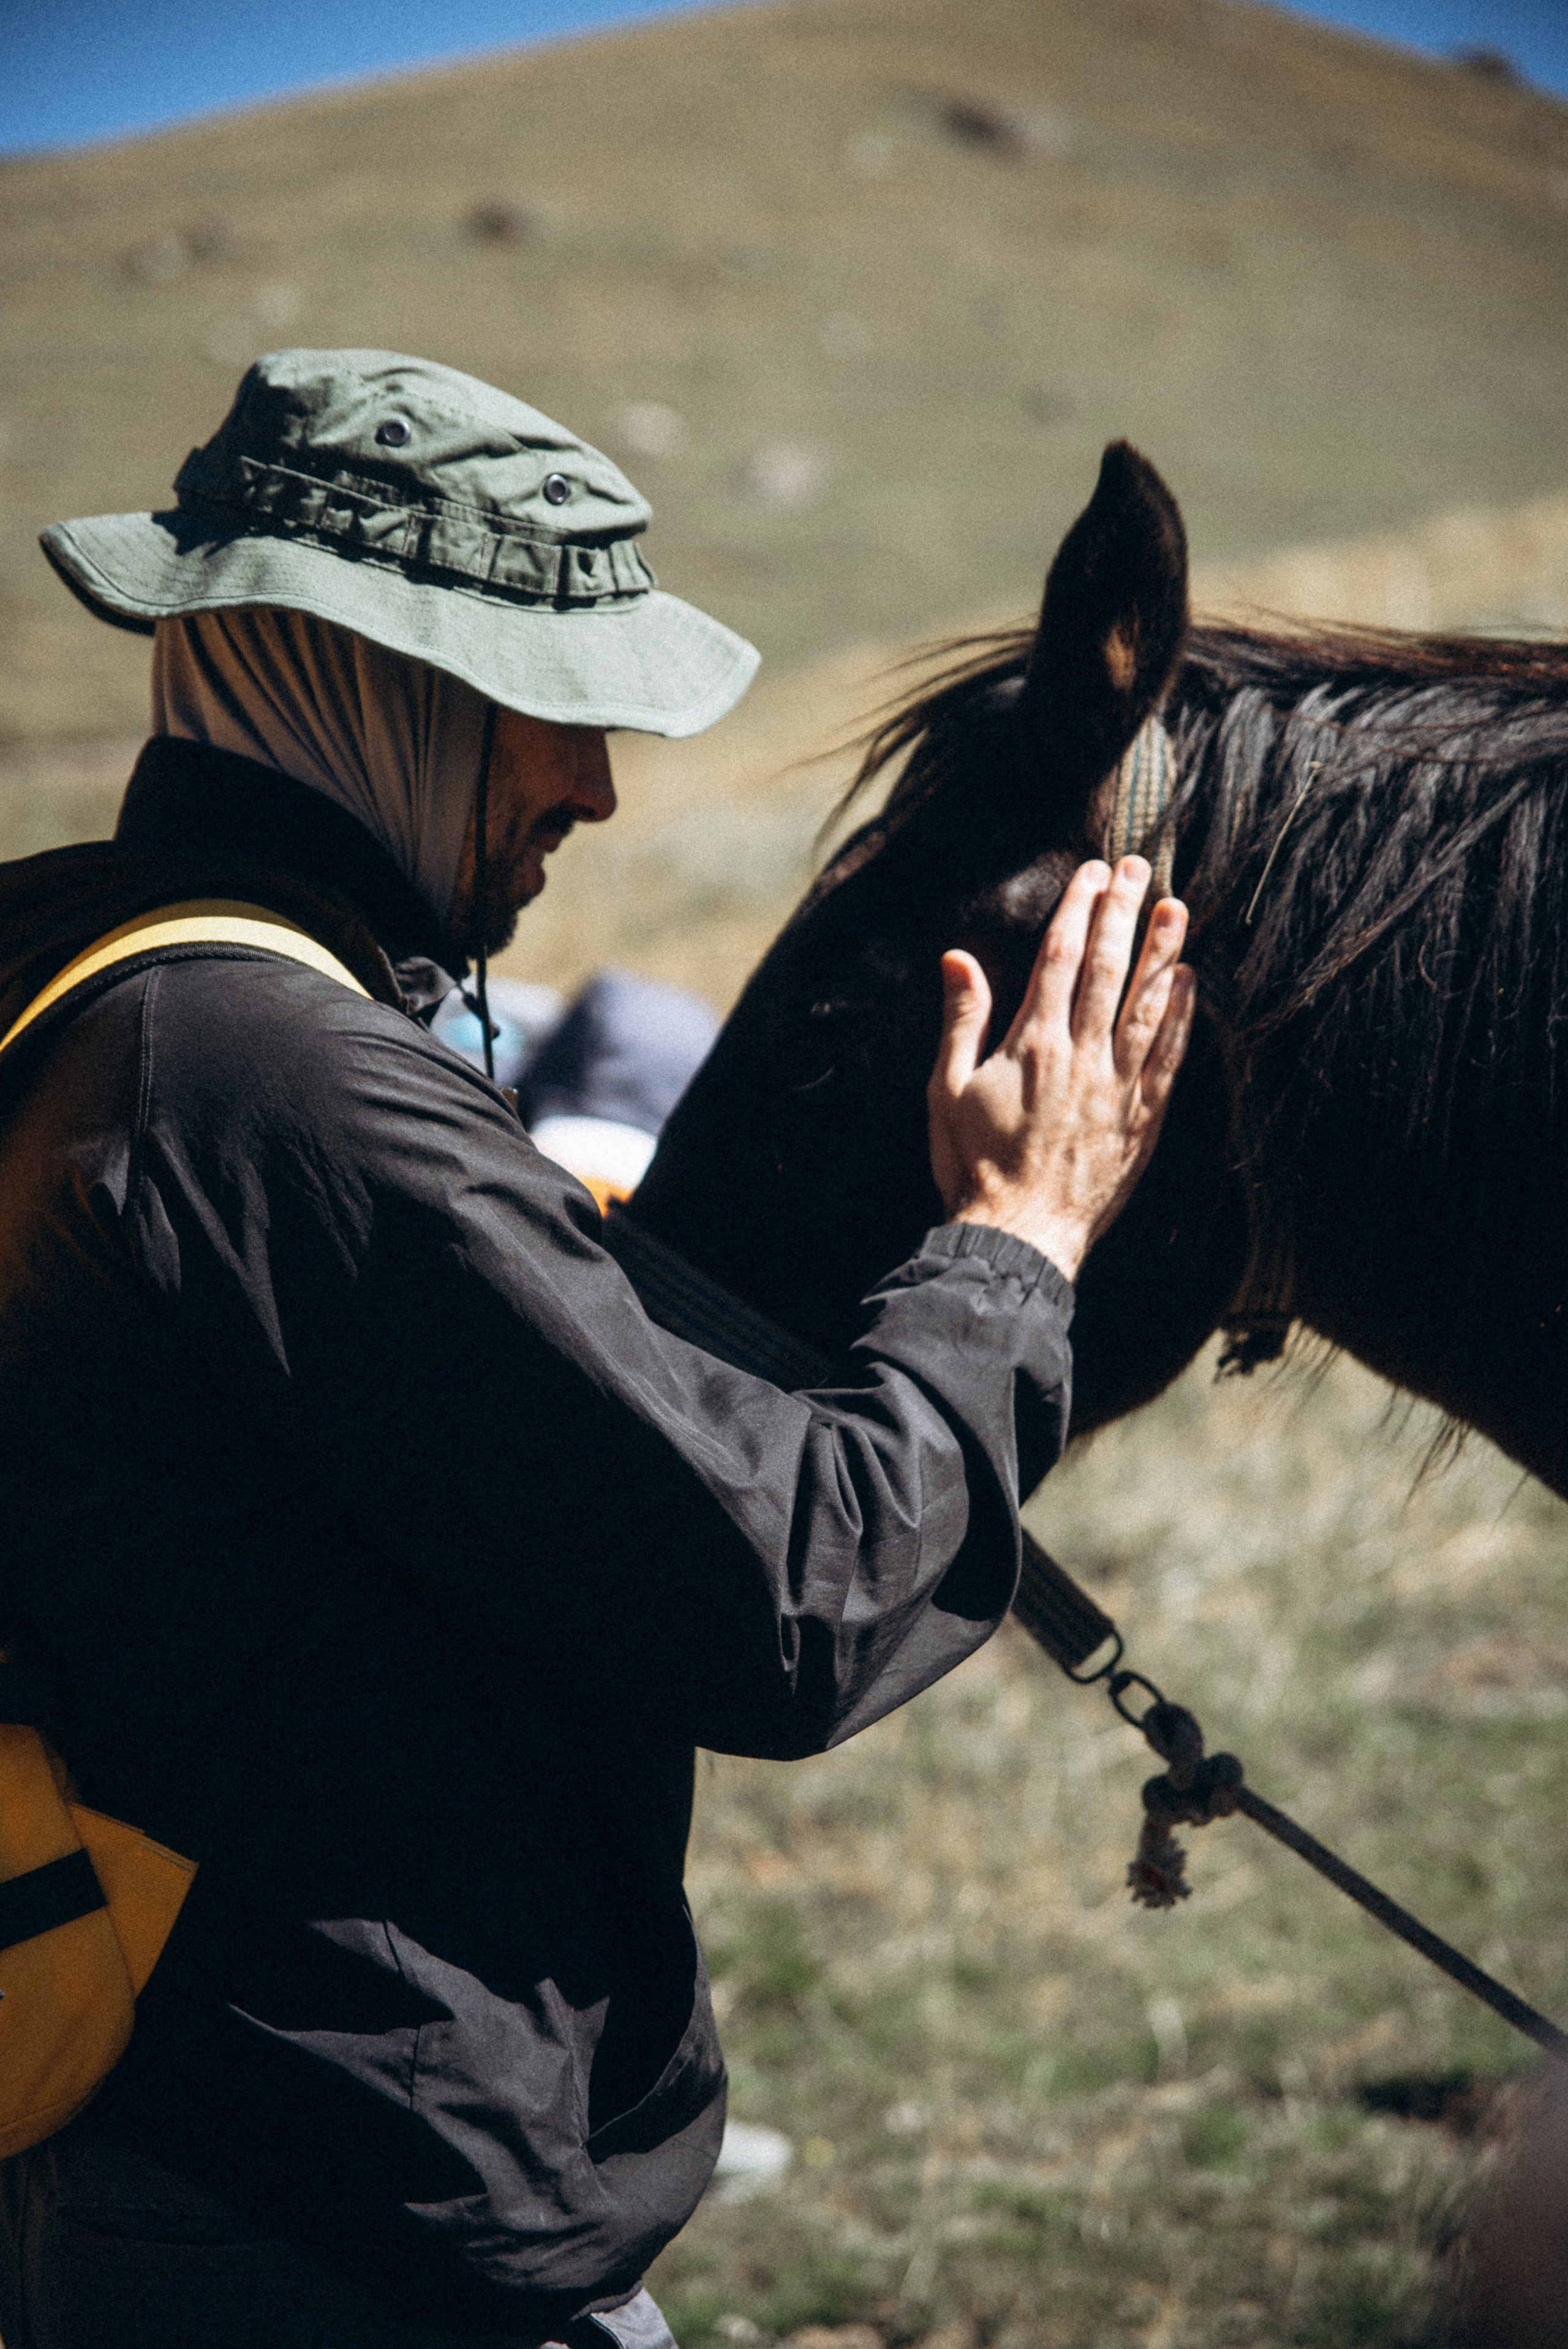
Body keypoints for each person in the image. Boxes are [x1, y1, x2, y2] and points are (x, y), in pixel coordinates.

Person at [0, 349, 1194, 2348]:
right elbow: (788, 1594)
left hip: (162, 2128)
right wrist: (1020, 1238)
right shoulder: (273, 1077)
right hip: (339, 2214)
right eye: (551, 710)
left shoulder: (86, 962)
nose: (599, 785)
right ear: (379, 680)